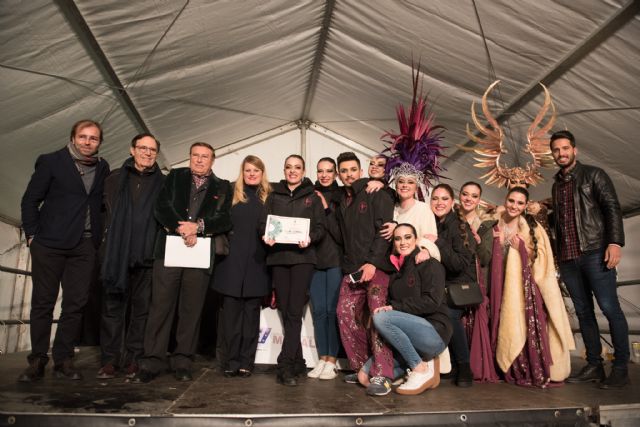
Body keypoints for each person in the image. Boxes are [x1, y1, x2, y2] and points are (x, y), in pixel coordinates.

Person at [132, 142, 232, 383]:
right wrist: (182, 228)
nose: (199, 160)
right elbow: (161, 206)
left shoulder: (223, 186)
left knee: (191, 310)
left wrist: (198, 227)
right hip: (169, 250)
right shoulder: (175, 176)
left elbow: (225, 219)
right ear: (189, 157)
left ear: (212, 160)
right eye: (195, 155)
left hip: (200, 253)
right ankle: (152, 361)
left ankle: (183, 361)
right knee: (160, 307)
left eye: (204, 156)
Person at [19, 119, 110, 382]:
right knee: (43, 303)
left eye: (93, 138)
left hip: (84, 245)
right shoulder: (51, 161)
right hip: (49, 244)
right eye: (83, 136)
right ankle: (37, 360)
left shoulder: (102, 167)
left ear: (99, 142)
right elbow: (30, 200)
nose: (88, 142)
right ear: (73, 137)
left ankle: (63, 359)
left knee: (75, 304)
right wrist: (32, 235)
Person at [549, 130, 629, 389]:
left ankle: (620, 367)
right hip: (568, 259)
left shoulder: (594, 175)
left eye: (565, 148)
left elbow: (611, 208)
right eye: (556, 150)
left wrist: (615, 243)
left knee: (609, 308)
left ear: (574, 150)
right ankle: (594, 364)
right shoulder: (556, 185)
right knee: (583, 312)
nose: (561, 153)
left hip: (595, 252)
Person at [477, 187, 574, 387]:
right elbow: (482, 254)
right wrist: (494, 241)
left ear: (525, 206)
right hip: (496, 283)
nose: (514, 206)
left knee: (519, 324)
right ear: (505, 200)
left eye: (520, 203)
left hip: (520, 287)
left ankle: (521, 367)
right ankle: (500, 366)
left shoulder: (532, 227)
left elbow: (541, 257)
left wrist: (521, 248)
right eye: (511, 201)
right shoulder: (493, 223)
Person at [97, 133, 164, 380]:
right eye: (143, 148)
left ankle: (134, 358)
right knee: (112, 309)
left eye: (152, 150)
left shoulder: (164, 183)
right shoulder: (113, 179)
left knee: (141, 311)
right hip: (116, 255)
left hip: (147, 256)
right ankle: (110, 360)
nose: (147, 153)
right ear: (132, 150)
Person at [331, 151, 395, 396]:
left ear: (360, 171)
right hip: (352, 269)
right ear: (339, 174)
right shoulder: (343, 200)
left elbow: (384, 233)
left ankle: (383, 374)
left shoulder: (377, 192)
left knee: (379, 319)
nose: (349, 174)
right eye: (344, 171)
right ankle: (362, 367)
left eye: (352, 169)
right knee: (344, 313)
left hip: (375, 268)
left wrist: (372, 262)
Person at [261, 154, 326, 386]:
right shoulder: (273, 195)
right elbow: (263, 223)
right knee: (287, 310)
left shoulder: (312, 197)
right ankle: (297, 361)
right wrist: (266, 235)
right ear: (284, 170)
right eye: (288, 167)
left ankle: (285, 365)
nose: (292, 171)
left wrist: (310, 238)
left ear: (303, 171)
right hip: (278, 257)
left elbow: (320, 227)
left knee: (294, 311)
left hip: (303, 259)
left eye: (297, 167)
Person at [372, 224, 451, 394]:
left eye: (408, 237)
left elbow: (432, 302)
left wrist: (394, 307)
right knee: (365, 375)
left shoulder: (430, 264)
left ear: (416, 240)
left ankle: (419, 367)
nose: (403, 242)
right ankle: (416, 364)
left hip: (435, 331)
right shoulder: (397, 273)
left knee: (382, 318)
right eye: (398, 239)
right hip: (409, 335)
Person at [213, 155, 271, 378]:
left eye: (256, 170)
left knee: (251, 318)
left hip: (257, 264)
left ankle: (246, 362)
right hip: (231, 264)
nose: (252, 174)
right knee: (231, 318)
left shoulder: (270, 197)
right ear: (242, 172)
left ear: (262, 173)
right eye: (248, 170)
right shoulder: (231, 194)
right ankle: (231, 361)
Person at [427, 184, 477, 387]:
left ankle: (464, 366)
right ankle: (449, 365)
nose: (439, 203)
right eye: (435, 198)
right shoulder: (434, 223)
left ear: (452, 202)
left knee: (449, 315)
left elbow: (458, 264)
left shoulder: (457, 226)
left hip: (459, 286)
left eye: (444, 199)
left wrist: (438, 242)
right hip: (442, 284)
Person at [306, 158, 343, 380]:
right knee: (318, 311)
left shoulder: (342, 196)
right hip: (313, 260)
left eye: (329, 171)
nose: (324, 175)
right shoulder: (310, 194)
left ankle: (332, 359)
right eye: (320, 171)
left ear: (336, 173)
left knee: (331, 311)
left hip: (335, 261)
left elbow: (340, 235)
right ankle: (322, 358)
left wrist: (326, 208)